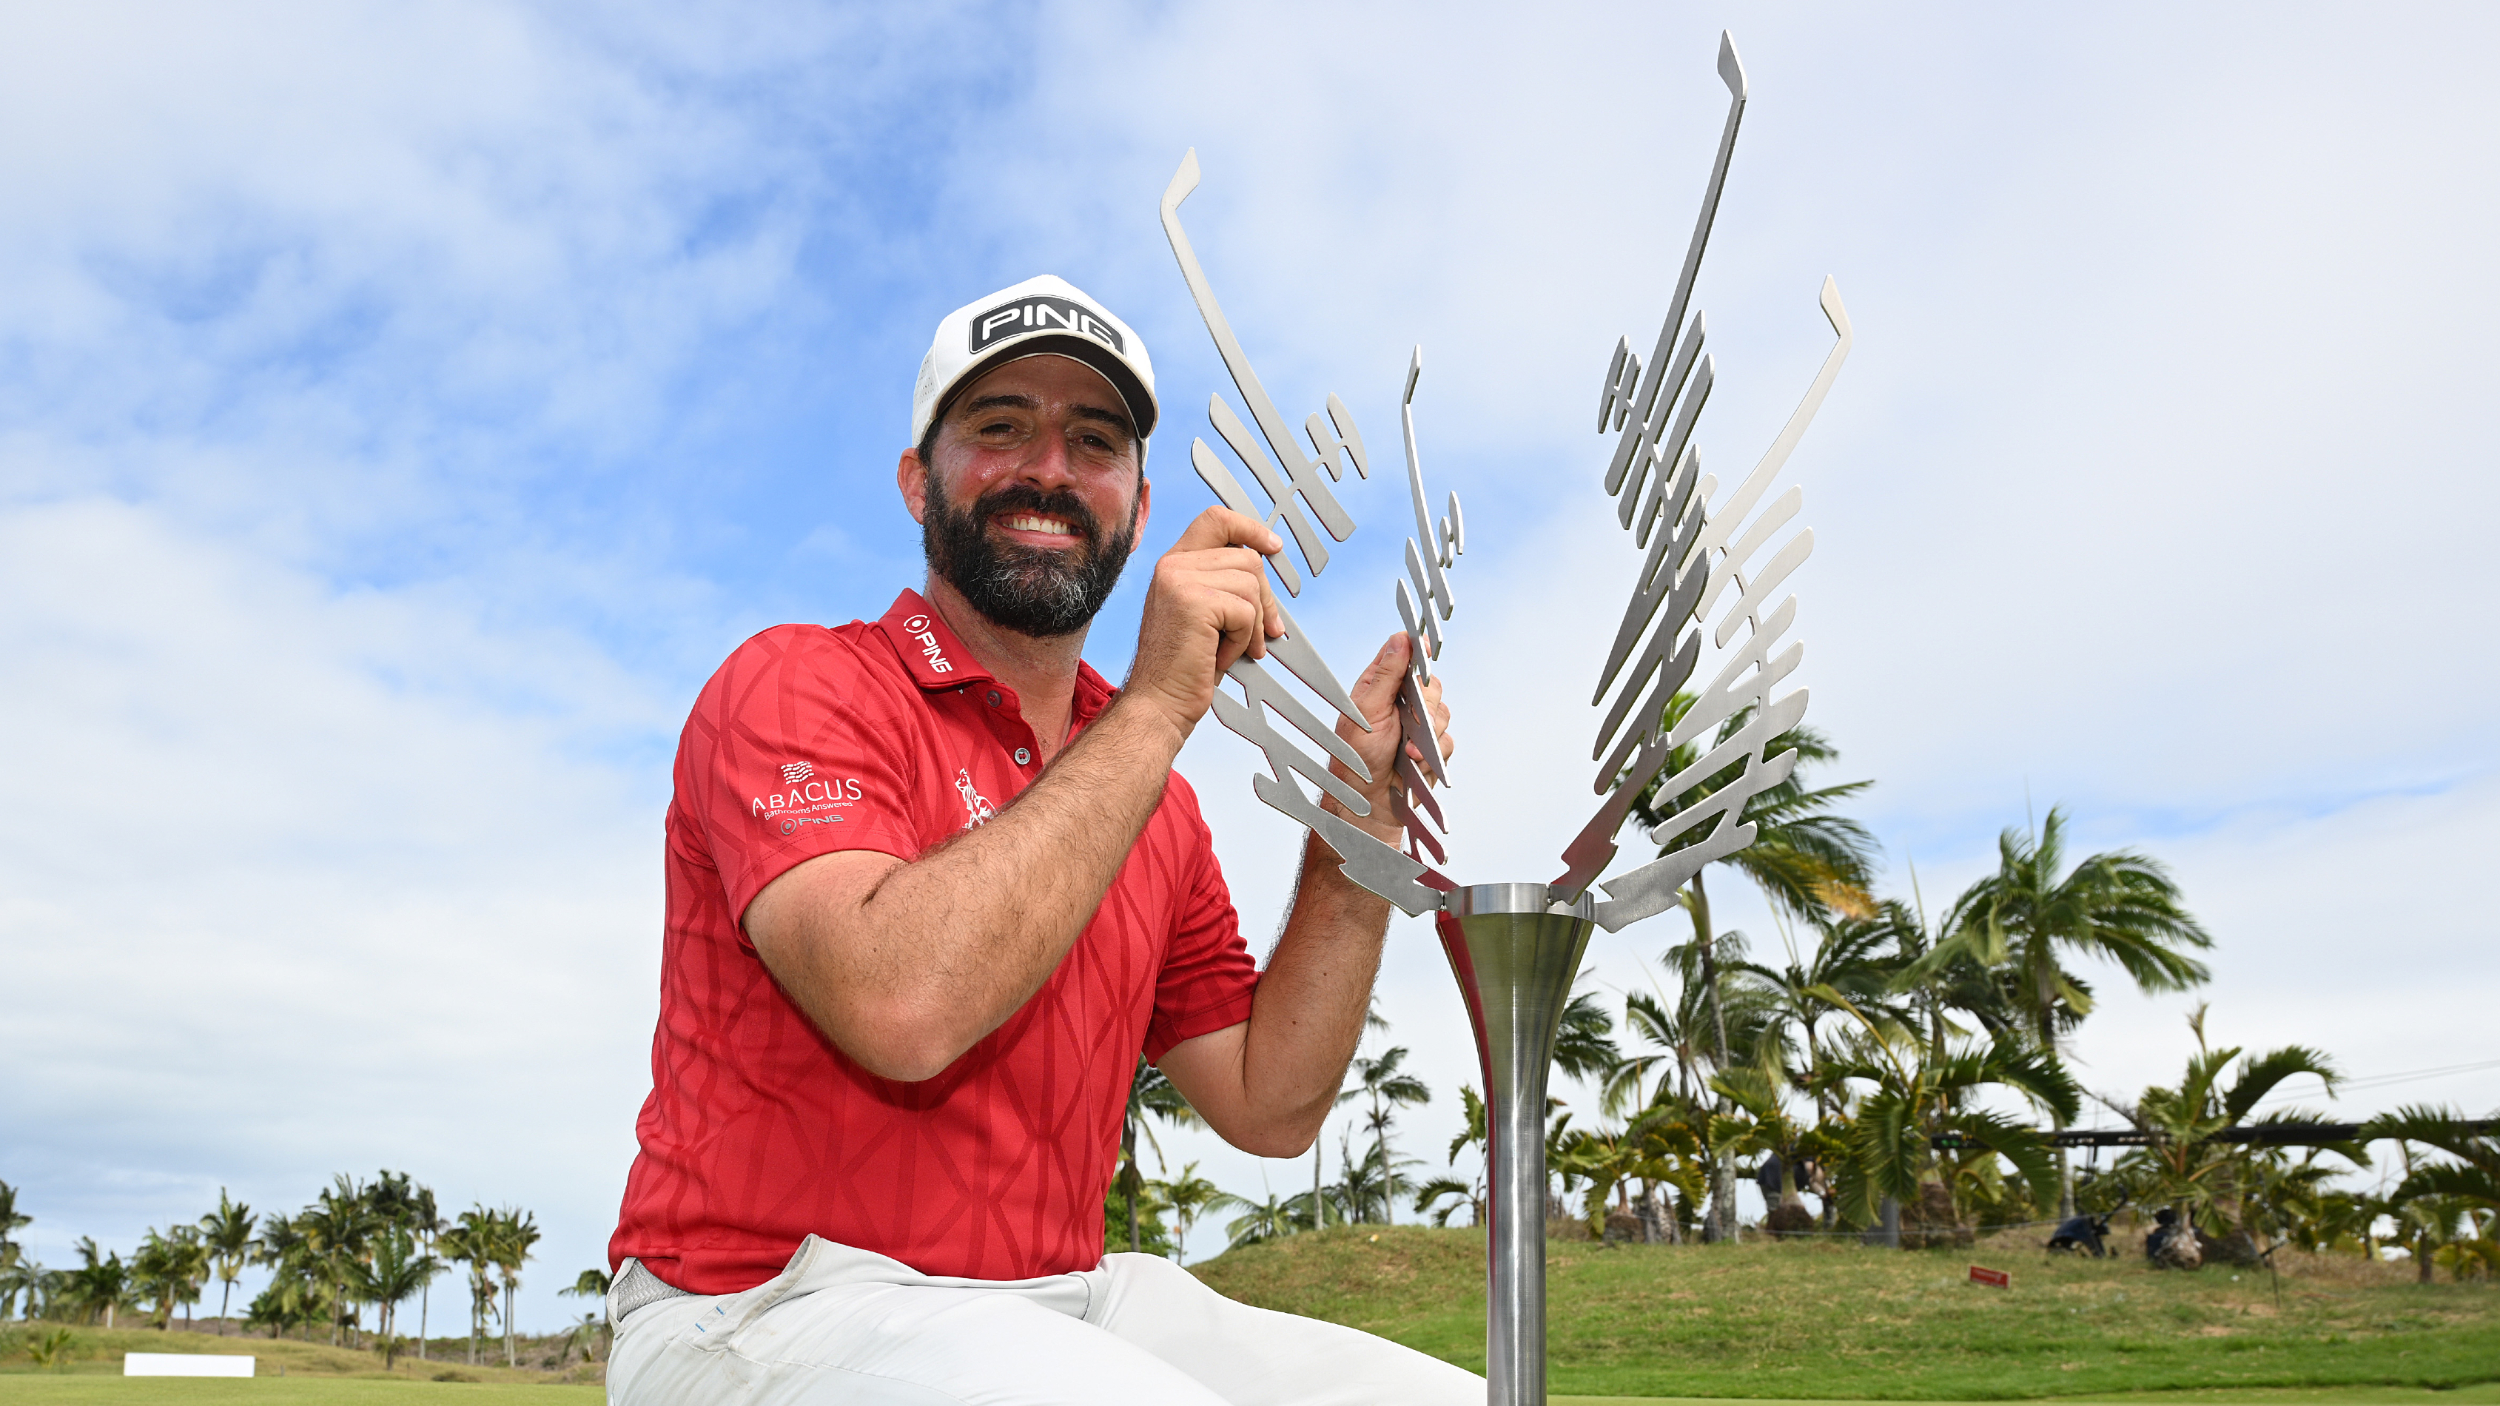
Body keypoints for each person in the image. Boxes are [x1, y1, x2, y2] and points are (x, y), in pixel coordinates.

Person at [604, 274, 1474, 1405]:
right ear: (919, 478)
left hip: (1051, 1293)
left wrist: (1358, 825)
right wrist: (1161, 706)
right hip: (757, 1306)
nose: (1050, 469)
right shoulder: (795, 684)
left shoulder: (1152, 803)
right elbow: (897, 1005)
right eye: (1000, 426)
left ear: (1138, 504)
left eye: (1093, 440)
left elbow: (1270, 1102)